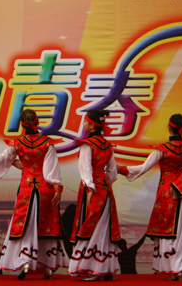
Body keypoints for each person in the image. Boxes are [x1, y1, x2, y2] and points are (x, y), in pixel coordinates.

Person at [0, 109, 68, 280]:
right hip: (45, 189)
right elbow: (52, 168)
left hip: (27, 189)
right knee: (47, 226)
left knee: (25, 225)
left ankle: (25, 261)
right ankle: (49, 267)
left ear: (22, 125)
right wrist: (58, 189)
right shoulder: (47, 143)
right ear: (37, 122)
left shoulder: (18, 144)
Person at [118, 114, 182, 281]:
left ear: (169, 128)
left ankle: (176, 269)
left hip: (168, 193)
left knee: (169, 229)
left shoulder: (162, 149)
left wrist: (117, 169)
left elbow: (142, 168)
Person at [69, 109, 121, 281]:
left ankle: (92, 268)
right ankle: (107, 268)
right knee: (104, 227)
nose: (83, 124)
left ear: (92, 125)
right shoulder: (107, 145)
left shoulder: (87, 145)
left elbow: (85, 168)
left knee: (90, 226)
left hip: (92, 189)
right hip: (105, 188)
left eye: (85, 121)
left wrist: (90, 187)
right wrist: (105, 183)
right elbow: (112, 172)